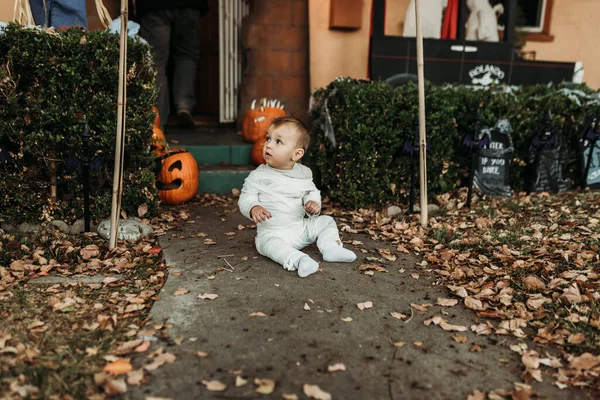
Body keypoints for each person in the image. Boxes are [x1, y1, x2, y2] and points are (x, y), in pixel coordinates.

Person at [238, 116, 356, 278]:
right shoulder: (258, 175)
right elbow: (246, 196)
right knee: (268, 245)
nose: (268, 145)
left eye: (278, 141)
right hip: (273, 232)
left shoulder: (303, 173)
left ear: (297, 154)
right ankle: (299, 260)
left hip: (300, 228)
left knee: (326, 221)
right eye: (268, 138)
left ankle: (330, 248)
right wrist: (253, 207)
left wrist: (312, 202)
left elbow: (311, 191)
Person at [136, 0, 208, 131]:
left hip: (153, 6)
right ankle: (184, 105)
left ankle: (157, 118)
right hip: (190, 4)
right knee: (187, 55)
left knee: (155, 61)